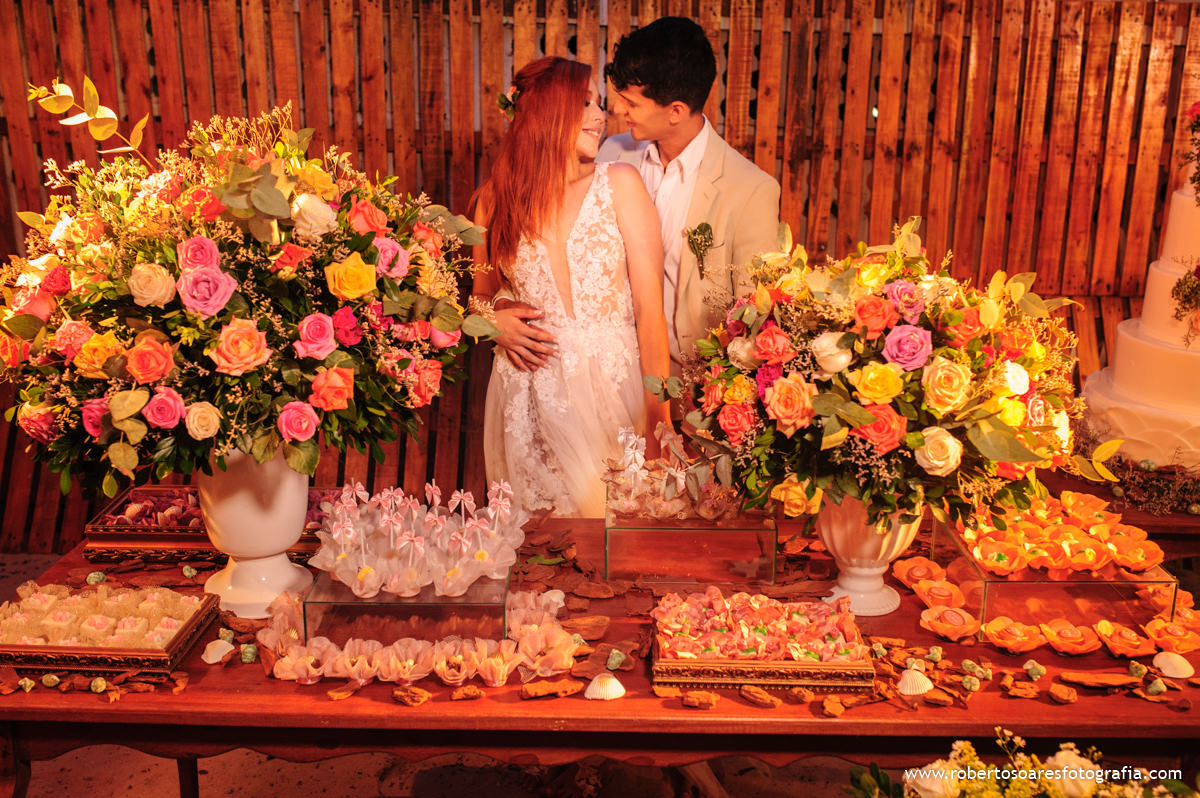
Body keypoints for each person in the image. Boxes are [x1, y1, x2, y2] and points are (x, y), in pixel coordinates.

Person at [472, 56, 671, 518]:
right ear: (546, 111)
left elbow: (649, 309)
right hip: (530, 397)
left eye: (599, 104)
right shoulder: (492, 201)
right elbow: (478, 298)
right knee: (542, 546)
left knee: (623, 535)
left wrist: (660, 418)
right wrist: (492, 321)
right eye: (585, 103)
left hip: (615, 391)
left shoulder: (620, 184)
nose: (602, 116)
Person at [598, 16, 782, 380]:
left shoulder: (750, 190)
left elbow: (754, 317)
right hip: (605, 373)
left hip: (687, 383)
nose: (619, 111)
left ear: (676, 111)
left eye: (630, 103)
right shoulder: (611, 155)